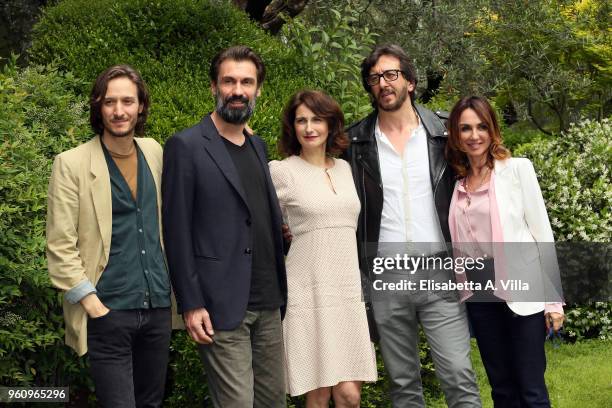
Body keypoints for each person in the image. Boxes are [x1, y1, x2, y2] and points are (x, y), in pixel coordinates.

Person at [344, 44, 481, 407]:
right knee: (403, 385)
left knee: (458, 376)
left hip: (440, 271)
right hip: (385, 274)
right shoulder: (354, 143)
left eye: (391, 74)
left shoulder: (443, 134)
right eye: (375, 78)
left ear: (411, 82)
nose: (383, 83)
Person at [161, 45, 288, 408]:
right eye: (228, 81)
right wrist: (191, 303)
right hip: (220, 306)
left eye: (246, 82)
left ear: (258, 89)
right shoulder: (185, 146)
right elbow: (176, 230)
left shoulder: (258, 146)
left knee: (272, 403)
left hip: (269, 301)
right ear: (213, 87)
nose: (238, 90)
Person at [46, 65, 172, 407]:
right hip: (108, 311)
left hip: (158, 307)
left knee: (151, 403)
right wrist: (92, 304)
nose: (119, 111)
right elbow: (59, 244)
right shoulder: (71, 163)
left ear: (141, 105)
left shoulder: (154, 152)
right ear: (98, 108)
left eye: (128, 101)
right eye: (110, 102)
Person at [446, 95, 564, 407]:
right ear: (456, 135)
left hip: (521, 289)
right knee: (501, 389)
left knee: (531, 389)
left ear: (493, 129)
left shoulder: (517, 170)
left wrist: (553, 301)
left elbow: (542, 234)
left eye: (481, 126)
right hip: (481, 295)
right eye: (465, 128)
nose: (474, 135)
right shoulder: (455, 182)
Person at [269, 90, 377, 408]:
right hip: (308, 291)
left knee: (349, 394)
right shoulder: (281, 170)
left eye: (317, 119)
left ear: (331, 124)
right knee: (316, 395)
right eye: (301, 120)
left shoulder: (345, 169)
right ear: (292, 127)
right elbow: (256, 221)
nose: (309, 127)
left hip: (346, 292)